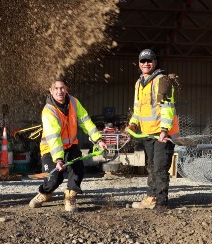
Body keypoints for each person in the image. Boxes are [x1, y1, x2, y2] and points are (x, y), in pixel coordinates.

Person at [29, 78, 107, 212]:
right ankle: (45, 193)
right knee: (54, 179)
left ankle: (70, 196)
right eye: (56, 89)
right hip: (51, 149)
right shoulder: (48, 112)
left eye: (62, 88)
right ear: (51, 91)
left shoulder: (74, 102)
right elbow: (54, 138)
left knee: (78, 170)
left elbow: (86, 121)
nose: (60, 91)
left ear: (66, 89)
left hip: (71, 146)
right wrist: (59, 159)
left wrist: (98, 139)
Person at [125, 49, 179, 212]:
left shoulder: (162, 81)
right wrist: (133, 124)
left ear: (155, 62)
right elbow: (138, 108)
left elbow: (168, 107)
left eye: (149, 60)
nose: (146, 64)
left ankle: (161, 202)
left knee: (160, 168)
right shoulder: (139, 83)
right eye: (143, 61)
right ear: (139, 64)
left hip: (162, 134)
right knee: (151, 166)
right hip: (147, 133)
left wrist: (164, 129)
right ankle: (151, 197)